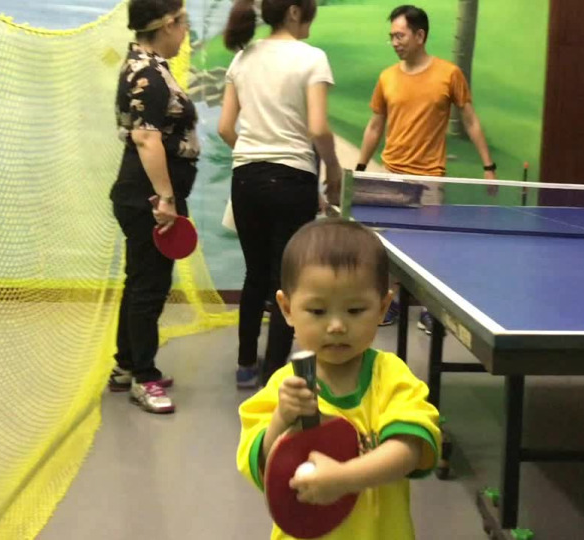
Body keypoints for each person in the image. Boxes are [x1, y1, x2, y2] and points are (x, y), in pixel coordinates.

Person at [237, 218, 441, 539]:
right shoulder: (281, 388)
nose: (336, 326)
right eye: (318, 311)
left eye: (355, 310)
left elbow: (409, 450)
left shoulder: (391, 376)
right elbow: (262, 465)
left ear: (383, 307)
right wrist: (280, 420)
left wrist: (345, 479)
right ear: (287, 309)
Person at [217, 0, 342, 389]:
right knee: (286, 280)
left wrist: (255, 154)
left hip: (246, 178)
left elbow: (225, 128)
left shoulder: (243, 58)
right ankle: (273, 375)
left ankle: (244, 366)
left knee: (254, 274)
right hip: (292, 180)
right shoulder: (312, 58)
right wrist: (334, 170)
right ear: (294, 11)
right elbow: (318, 129)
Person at [356, 4, 497, 330]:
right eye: (392, 36)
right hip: (392, 175)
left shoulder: (449, 74)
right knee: (385, 247)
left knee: (429, 249)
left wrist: (488, 166)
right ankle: (389, 305)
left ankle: (430, 311)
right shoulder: (387, 77)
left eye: (400, 35)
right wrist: (361, 167)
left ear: (420, 36)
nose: (395, 42)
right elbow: (375, 126)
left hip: (430, 178)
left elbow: (471, 120)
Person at [108, 0, 196, 414]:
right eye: (183, 24)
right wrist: (166, 199)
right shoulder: (148, 72)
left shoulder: (147, 66)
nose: (185, 32)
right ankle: (144, 377)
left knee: (140, 280)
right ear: (167, 24)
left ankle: (126, 365)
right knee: (150, 287)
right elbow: (147, 139)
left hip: (142, 195)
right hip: (149, 199)